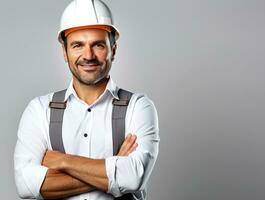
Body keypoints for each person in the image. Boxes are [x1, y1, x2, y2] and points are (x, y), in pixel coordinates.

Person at [13, 0, 160, 199]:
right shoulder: (39, 110)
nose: (88, 55)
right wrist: (115, 165)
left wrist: (64, 162)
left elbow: (134, 177)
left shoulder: (138, 107)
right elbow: (26, 185)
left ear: (113, 50)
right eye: (77, 45)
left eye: (98, 45)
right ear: (64, 52)